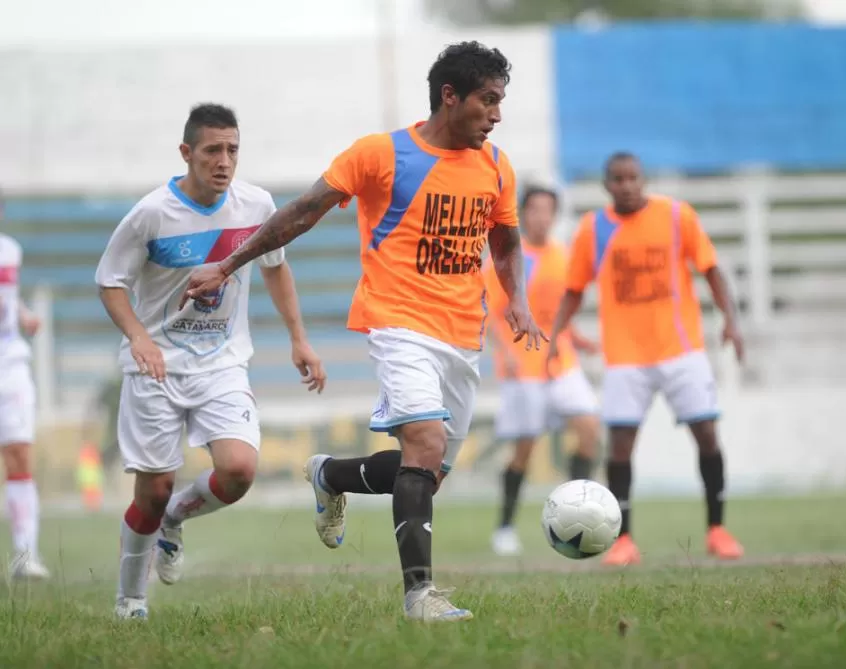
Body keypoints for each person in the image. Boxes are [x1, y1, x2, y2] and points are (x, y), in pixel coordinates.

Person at [181, 41, 544, 622]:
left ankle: (329, 474)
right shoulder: (381, 154)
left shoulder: (497, 166)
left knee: (426, 473)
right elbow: (302, 211)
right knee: (423, 446)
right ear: (450, 97)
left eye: (501, 101)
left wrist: (517, 299)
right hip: (397, 321)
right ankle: (419, 596)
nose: (497, 114)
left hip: (462, 334)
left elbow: (504, 239)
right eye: (489, 100)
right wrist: (227, 265)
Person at [95, 103, 325, 620]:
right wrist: (139, 338)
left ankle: (176, 519)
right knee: (151, 491)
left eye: (233, 150)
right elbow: (109, 281)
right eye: (213, 150)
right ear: (187, 153)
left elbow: (276, 268)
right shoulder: (152, 214)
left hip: (221, 363)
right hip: (156, 368)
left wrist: (299, 338)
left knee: (239, 470)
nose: (224, 161)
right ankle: (131, 599)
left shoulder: (256, 204)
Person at [547, 152, 745, 566]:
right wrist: (555, 334)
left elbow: (711, 268)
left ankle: (717, 530)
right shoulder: (592, 229)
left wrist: (731, 319)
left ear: (644, 179)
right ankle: (624, 541)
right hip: (626, 357)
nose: (627, 185)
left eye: (633, 177)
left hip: (681, 349)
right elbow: (574, 288)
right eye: (618, 179)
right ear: (607, 186)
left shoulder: (677, 216)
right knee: (620, 446)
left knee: (706, 434)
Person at [483, 185, 601, 557]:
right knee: (524, 450)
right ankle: (504, 528)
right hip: (523, 366)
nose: (541, 217)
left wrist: (577, 338)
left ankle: (574, 512)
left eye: (548, 210)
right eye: (534, 209)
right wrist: (506, 353)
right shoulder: (508, 258)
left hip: (560, 359)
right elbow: (488, 312)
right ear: (523, 213)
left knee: (589, 429)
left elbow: (558, 313)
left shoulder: (563, 257)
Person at [0, 189, 48, 580]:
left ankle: (24, 556)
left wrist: (22, 315)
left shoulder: (9, 251)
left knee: (19, 455)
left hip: (10, 364)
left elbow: (6, 299)